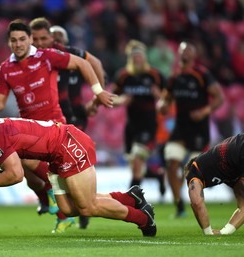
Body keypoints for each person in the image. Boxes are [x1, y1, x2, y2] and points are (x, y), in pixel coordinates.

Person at [0, 19, 114, 233]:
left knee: (27, 163)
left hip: (53, 125)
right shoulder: (5, 69)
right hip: (27, 127)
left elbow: (84, 63)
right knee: (29, 176)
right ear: (9, 43)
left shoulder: (46, 56)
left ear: (30, 39)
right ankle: (56, 207)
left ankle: (54, 194)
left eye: (23, 39)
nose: (18, 44)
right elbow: (0, 103)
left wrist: (98, 92)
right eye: (13, 40)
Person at [0, 112, 157, 237]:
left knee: (86, 206)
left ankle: (143, 219)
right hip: (56, 154)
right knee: (67, 209)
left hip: (68, 144)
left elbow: (16, 174)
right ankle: (130, 198)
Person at [29, 17, 106, 229]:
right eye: (38, 39)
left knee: (71, 165)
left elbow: (96, 63)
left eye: (50, 38)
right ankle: (54, 201)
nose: (44, 42)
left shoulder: (68, 54)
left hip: (75, 117)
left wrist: (97, 98)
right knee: (43, 165)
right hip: (52, 118)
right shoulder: (37, 58)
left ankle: (79, 207)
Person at [157, 41, 224, 217]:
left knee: (193, 171)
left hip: (199, 129)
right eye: (182, 50)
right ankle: (179, 206)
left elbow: (219, 97)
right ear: (178, 54)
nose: (185, 53)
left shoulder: (202, 74)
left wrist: (205, 111)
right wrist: (162, 105)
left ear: (194, 55)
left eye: (188, 50)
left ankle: (198, 206)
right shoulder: (174, 77)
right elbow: (165, 99)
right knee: (171, 164)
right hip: (180, 128)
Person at [112, 39, 166, 195]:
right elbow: (112, 99)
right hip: (131, 126)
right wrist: (121, 100)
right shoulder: (123, 76)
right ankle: (157, 176)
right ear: (130, 59)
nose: (137, 60)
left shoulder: (155, 75)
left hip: (148, 125)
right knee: (136, 165)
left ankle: (132, 199)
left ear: (144, 58)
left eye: (140, 56)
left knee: (137, 158)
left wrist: (159, 96)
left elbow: (168, 99)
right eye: (134, 57)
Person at [184, 133, 244, 235]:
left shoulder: (194, 171)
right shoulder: (229, 172)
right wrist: (223, 233)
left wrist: (208, 233)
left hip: (237, 149)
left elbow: (197, 203)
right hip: (236, 150)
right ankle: (225, 232)